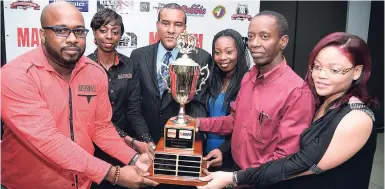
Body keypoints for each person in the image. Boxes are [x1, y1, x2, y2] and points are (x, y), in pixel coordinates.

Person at [1, 2, 158, 189]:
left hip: (83, 183)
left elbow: (101, 128)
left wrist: (133, 158)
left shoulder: (95, 72)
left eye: (79, 31)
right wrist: (114, 174)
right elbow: (48, 141)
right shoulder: (16, 75)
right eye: (61, 31)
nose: (72, 39)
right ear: (43, 35)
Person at [197, 32, 378, 189]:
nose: (321, 75)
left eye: (335, 70)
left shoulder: (357, 117)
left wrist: (233, 177)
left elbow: (298, 164)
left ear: (356, 72)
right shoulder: (321, 101)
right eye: (317, 67)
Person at [192, 10, 315, 181]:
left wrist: (237, 178)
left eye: (264, 36)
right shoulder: (249, 77)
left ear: (283, 41)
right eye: (251, 37)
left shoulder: (297, 91)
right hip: (235, 173)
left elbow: (285, 156)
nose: (254, 44)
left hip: (261, 181)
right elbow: (233, 122)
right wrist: (196, 123)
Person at [87, 8, 155, 189]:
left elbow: (133, 110)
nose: (109, 36)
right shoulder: (84, 67)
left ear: (120, 35)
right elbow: (94, 119)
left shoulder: (130, 65)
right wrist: (131, 141)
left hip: (125, 149)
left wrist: (147, 140)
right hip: (94, 147)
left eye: (115, 32)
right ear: (94, 33)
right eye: (103, 30)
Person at [129, 3, 211, 144]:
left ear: (185, 28)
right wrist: (146, 139)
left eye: (178, 25)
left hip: (182, 141)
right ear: (157, 25)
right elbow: (133, 105)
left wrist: (184, 139)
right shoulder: (138, 56)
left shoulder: (200, 58)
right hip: (145, 141)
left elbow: (199, 106)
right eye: (165, 23)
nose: (171, 30)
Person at [198, 29, 250, 170]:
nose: (222, 57)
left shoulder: (248, 82)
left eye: (229, 52)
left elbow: (242, 126)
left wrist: (224, 150)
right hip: (204, 155)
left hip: (230, 158)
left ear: (239, 52)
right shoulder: (210, 79)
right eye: (217, 52)